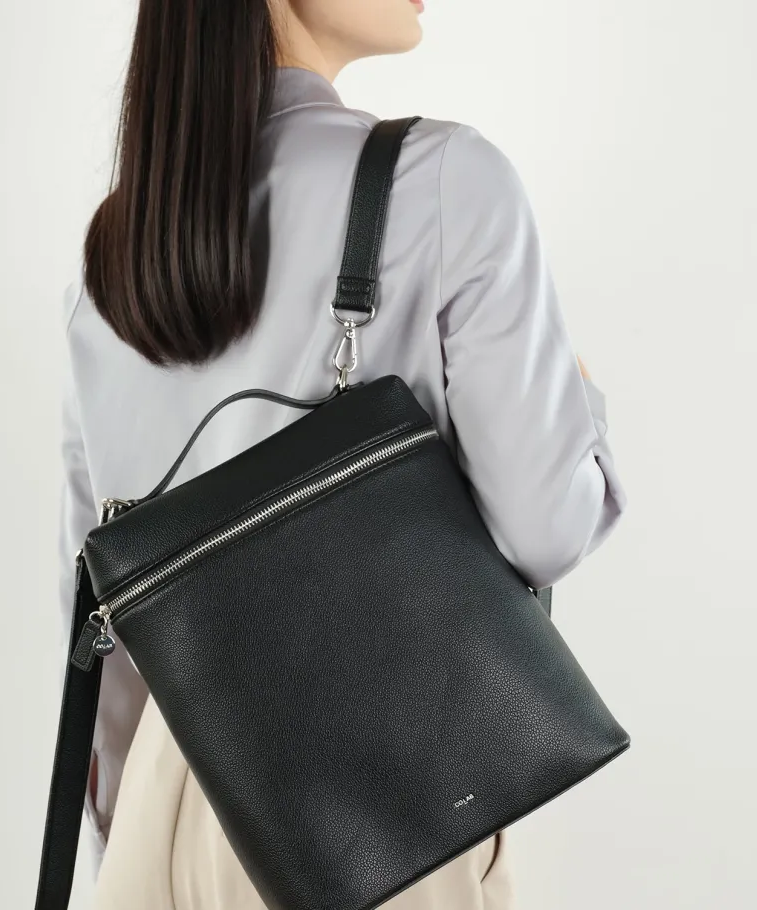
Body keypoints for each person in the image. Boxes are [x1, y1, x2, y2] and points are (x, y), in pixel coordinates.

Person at [58, 1, 628, 907]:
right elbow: (545, 530)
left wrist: (132, 841)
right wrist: (578, 393)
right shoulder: (446, 181)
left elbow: (99, 613)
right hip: (381, 796)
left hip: (169, 799)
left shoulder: (113, 261)